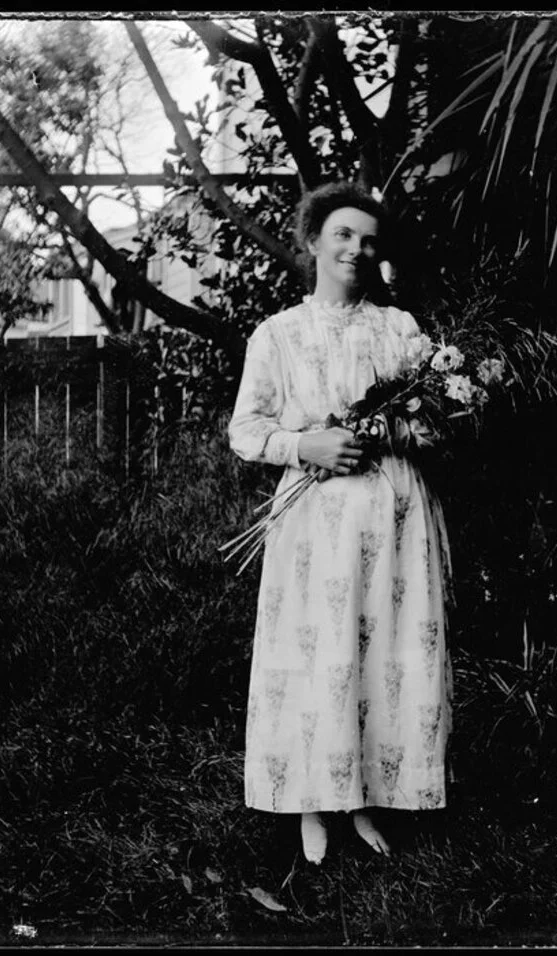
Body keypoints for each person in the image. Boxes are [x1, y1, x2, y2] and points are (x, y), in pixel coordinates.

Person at [228, 181, 454, 865]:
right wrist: (307, 446)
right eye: (343, 235)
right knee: (319, 652)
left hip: (395, 514)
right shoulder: (280, 335)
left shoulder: (401, 329)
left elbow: (441, 426)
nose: (356, 249)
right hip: (316, 521)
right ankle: (310, 802)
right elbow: (246, 430)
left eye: (368, 240)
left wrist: (408, 427)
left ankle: (365, 799)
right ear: (314, 241)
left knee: (384, 650)